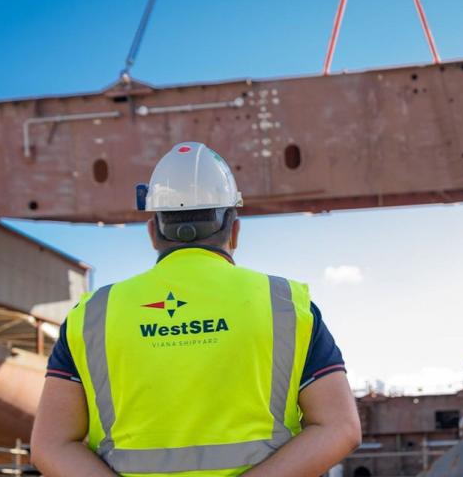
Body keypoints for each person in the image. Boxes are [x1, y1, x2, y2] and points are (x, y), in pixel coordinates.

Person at [31, 142, 361, 476]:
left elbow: (51, 445)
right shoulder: (288, 305)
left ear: (152, 232)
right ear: (234, 230)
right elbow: (340, 428)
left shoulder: (91, 315)